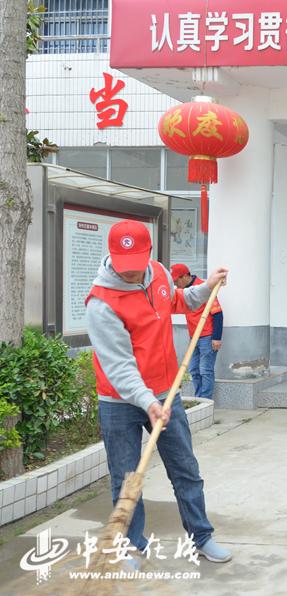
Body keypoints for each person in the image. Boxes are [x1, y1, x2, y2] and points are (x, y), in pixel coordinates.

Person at [84, 220, 232, 563]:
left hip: (166, 392)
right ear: (112, 256)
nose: (131, 274)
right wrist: (148, 401)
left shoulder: (160, 274)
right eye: (125, 268)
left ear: (149, 253)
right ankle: (130, 545)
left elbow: (177, 301)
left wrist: (207, 287)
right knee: (127, 477)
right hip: (119, 400)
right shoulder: (101, 303)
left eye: (137, 266)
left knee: (185, 468)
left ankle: (201, 536)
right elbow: (119, 367)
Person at [170, 263, 224, 399]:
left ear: (185, 276)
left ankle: (205, 401)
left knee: (205, 370)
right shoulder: (184, 293)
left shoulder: (203, 288)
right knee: (194, 369)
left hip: (207, 336)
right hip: (193, 336)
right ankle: (199, 398)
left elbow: (217, 313)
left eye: (177, 280)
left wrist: (216, 337)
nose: (175, 284)